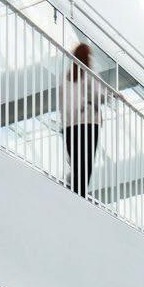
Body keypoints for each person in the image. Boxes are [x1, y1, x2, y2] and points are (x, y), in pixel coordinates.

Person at [60, 43, 107, 199]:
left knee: (76, 161)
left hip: (69, 126)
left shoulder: (66, 79)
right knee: (86, 162)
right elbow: (99, 95)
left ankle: (74, 192)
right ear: (87, 57)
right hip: (88, 122)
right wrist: (111, 95)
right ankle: (79, 196)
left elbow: (62, 106)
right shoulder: (89, 74)